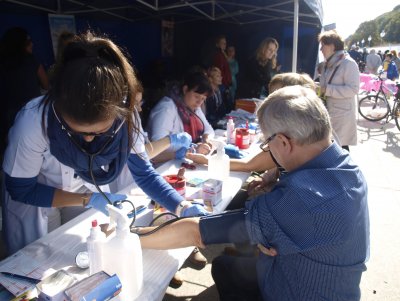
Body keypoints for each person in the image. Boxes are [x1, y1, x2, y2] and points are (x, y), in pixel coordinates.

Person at [136, 86, 370, 301]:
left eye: (267, 144)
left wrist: (129, 237)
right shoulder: (348, 168)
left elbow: (196, 232)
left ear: (283, 142)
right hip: (334, 287)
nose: (268, 151)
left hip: (291, 290)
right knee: (230, 264)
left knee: (223, 266)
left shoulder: (300, 200)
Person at [1, 31, 207, 255]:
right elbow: (22, 189)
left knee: (81, 248)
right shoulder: (34, 120)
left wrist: (181, 205)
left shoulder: (127, 116)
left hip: (81, 185)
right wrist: (87, 198)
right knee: (36, 256)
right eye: (75, 132)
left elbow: (144, 173)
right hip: (36, 192)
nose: (88, 140)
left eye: (99, 132)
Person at [146, 69, 215, 163]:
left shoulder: (194, 108)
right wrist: (189, 149)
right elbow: (158, 143)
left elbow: (208, 129)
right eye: (196, 96)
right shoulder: (166, 108)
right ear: (185, 89)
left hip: (181, 160)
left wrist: (206, 141)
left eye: (203, 99)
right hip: (162, 165)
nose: (199, 102)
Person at [0, 27, 49, 156]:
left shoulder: (3, 61)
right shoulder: (32, 60)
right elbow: (46, 84)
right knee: (31, 148)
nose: (32, 44)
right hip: (31, 112)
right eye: (28, 41)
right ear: (21, 44)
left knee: (10, 148)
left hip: (6, 113)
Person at [318, 30, 359, 152]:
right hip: (329, 111)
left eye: (323, 46)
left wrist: (327, 90)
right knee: (331, 146)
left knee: (341, 147)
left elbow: (354, 89)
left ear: (332, 46)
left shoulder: (348, 63)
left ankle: (345, 171)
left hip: (342, 115)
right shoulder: (328, 63)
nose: (321, 49)